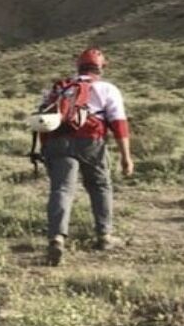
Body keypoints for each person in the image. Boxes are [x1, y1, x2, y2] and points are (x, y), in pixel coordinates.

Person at [37, 48, 133, 266]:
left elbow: (44, 122)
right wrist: (126, 157)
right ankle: (104, 236)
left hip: (57, 141)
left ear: (78, 66)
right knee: (100, 186)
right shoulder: (107, 89)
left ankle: (56, 238)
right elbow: (119, 124)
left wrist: (45, 150)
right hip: (90, 142)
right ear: (101, 68)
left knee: (61, 189)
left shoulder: (60, 89)